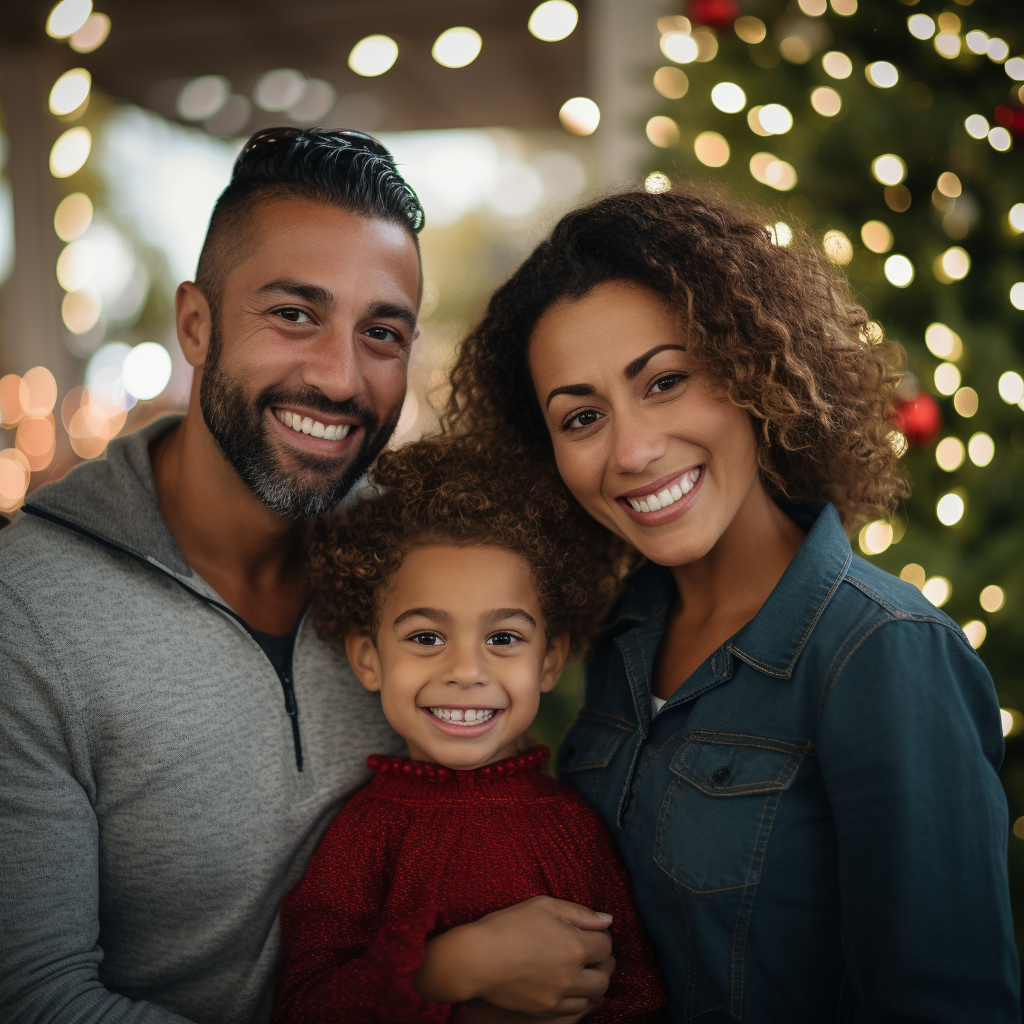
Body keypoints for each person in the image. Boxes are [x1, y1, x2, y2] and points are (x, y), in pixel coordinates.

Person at [443, 187, 1021, 1021]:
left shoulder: (882, 652)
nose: (633, 450)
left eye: (666, 380)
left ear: (754, 370)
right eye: (581, 417)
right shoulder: (618, 639)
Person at [0, 127, 425, 1024]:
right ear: (197, 325)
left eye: (380, 332)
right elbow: (34, 997)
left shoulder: (419, 565)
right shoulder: (28, 608)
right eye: (295, 314)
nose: (341, 378)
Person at [271, 432, 666, 1023]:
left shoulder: (576, 829)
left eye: (503, 639)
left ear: (550, 660)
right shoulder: (363, 839)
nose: (464, 671)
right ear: (369, 659)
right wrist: (451, 970)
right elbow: (304, 1006)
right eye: (426, 638)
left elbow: (637, 989)